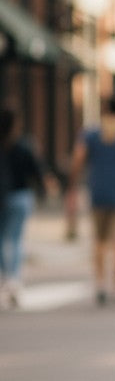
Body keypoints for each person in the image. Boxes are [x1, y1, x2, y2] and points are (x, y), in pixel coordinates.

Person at [68, 94, 115, 305]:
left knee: (100, 242)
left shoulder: (92, 133)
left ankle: (101, 283)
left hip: (98, 193)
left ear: (105, 110)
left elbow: (78, 160)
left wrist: (72, 186)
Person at [0, 107, 48, 308]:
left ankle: (6, 277)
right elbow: (36, 170)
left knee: (2, 239)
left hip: (3, 197)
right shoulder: (22, 145)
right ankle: (14, 278)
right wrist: (43, 190)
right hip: (20, 197)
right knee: (16, 239)